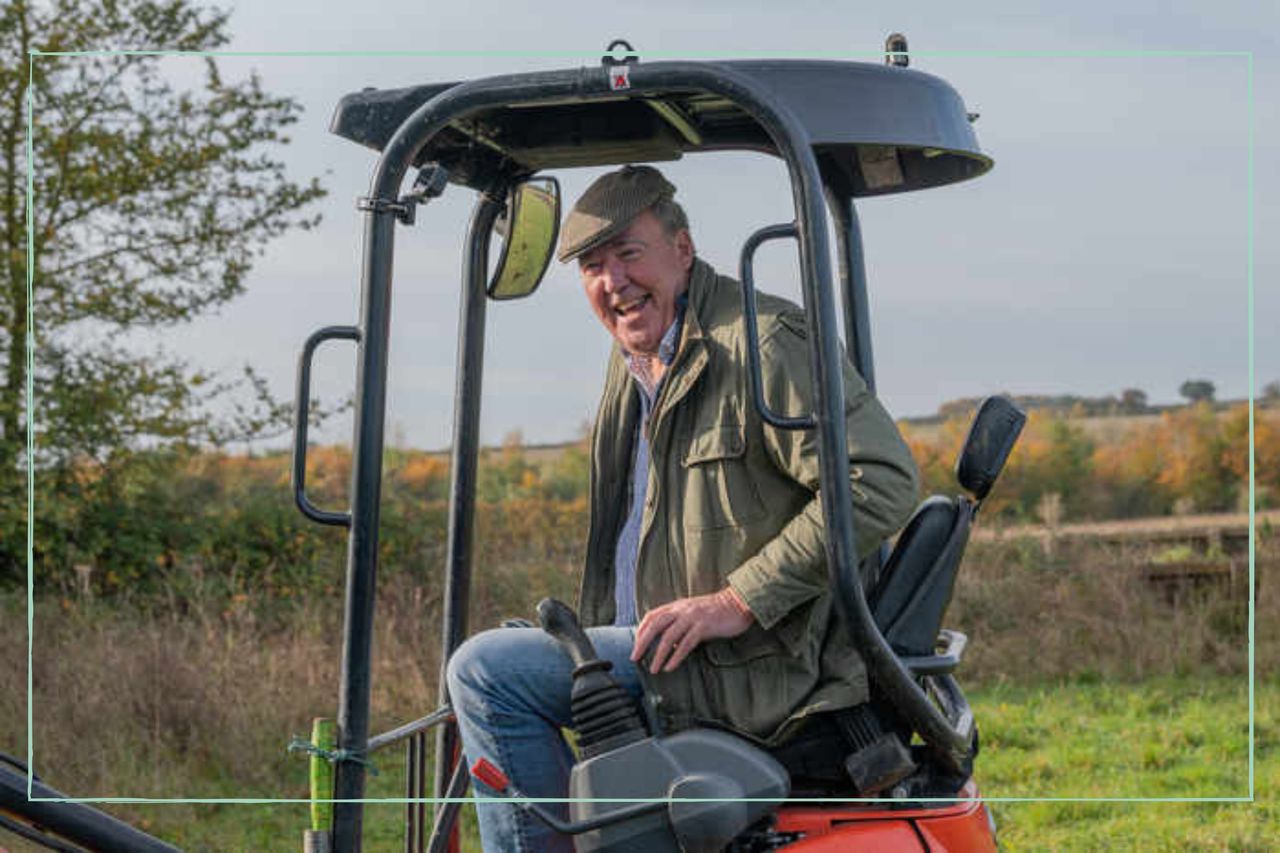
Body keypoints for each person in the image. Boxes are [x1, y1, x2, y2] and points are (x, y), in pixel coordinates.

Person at [446, 165, 920, 852]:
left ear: (683, 249)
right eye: (593, 265)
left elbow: (877, 481)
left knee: (487, 673)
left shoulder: (760, 343)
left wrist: (736, 599)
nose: (613, 282)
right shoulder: (637, 357)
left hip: (746, 667)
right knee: (515, 655)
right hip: (665, 646)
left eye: (628, 253)